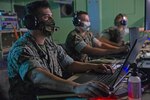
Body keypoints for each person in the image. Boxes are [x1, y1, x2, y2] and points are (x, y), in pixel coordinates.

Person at [7, 1, 113, 100]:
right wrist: (76, 87)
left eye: (51, 17)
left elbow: (69, 64)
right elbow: (37, 76)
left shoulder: (50, 44)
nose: (51, 21)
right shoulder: (21, 48)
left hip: (54, 93)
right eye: (46, 17)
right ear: (31, 22)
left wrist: (94, 67)